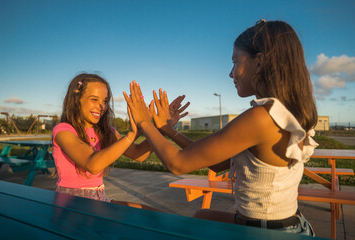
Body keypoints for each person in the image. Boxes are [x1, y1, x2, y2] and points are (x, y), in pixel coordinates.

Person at [124, 20, 318, 235]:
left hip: (268, 233)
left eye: (235, 61)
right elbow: (218, 162)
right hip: (287, 224)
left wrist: (144, 122)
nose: (230, 73)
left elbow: (178, 164)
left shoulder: (261, 118)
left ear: (260, 61)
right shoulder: (286, 113)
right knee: (202, 216)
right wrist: (167, 129)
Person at [52, 73, 189, 210]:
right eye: (94, 99)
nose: (101, 107)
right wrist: (133, 133)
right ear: (76, 100)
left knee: (153, 214)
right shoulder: (63, 131)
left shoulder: (106, 131)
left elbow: (139, 154)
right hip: (70, 204)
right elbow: (92, 164)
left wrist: (162, 128)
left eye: (105, 101)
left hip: (99, 200)